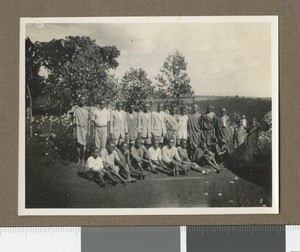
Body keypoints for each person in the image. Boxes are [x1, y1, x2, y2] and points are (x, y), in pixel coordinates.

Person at [68, 96, 91, 166]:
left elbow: (89, 121)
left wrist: (89, 130)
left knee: (84, 144)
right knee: (77, 144)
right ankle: (78, 159)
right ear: (79, 100)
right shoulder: (75, 108)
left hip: (85, 128)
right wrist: (74, 131)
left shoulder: (88, 109)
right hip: (77, 127)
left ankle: (83, 159)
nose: (82, 101)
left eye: (84, 100)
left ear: (85, 101)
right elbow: (73, 120)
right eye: (81, 100)